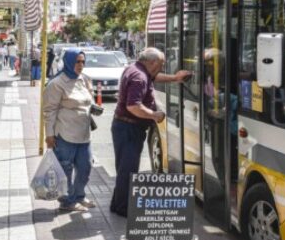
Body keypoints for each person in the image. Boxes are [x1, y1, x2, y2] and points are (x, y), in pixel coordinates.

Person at [110, 47, 191, 217]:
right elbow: (133, 106)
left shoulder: (136, 69)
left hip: (125, 127)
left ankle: (117, 204)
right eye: (161, 64)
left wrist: (175, 78)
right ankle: (123, 208)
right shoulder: (139, 77)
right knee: (128, 169)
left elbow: (154, 77)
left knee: (125, 168)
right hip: (129, 128)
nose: (161, 67)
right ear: (152, 62)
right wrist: (154, 115)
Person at [43, 49, 96, 212]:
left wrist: (94, 107)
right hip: (65, 133)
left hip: (84, 133)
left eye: (83, 62)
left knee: (86, 166)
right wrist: (49, 135)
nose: (80, 65)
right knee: (65, 168)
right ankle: (68, 201)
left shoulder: (84, 79)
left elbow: (89, 100)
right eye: (77, 62)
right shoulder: (57, 83)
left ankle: (79, 195)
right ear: (68, 62)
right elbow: (49, 111)